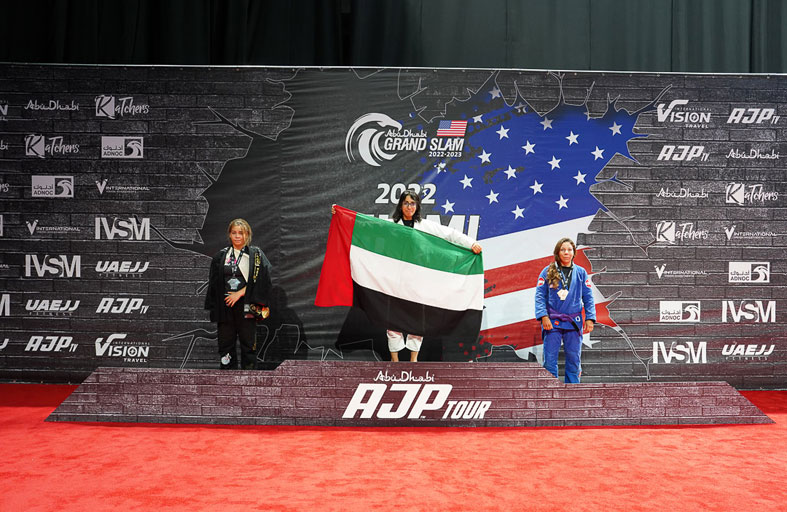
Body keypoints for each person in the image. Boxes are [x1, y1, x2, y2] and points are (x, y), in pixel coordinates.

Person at [332, 190, 482, 362]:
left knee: (417, 321)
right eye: (406, 203)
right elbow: (366, 225)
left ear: (417, 206)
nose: (409, 207)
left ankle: (413, 360)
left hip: (417, 282)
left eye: (412, 203)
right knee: (392, 320)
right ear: (400, 205)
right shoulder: (392, 225)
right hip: (394, 281)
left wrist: (471, 243)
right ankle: (394, 360)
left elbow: (450, 234)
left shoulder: (426, 226)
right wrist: (341, 215)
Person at [205, 219, 272, 370]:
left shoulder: (255, 255)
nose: (237, 236)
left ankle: (249, 379)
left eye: (241, 233)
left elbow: (264, 280)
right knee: (225, 346)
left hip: (247, 305)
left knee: (248, 345)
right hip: (226, 306)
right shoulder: (221, 256)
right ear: (229, 234)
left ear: (247, 234)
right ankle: (227, 378)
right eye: (234, 233)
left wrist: (240, 293)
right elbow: (214, 284)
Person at [534, 237, 596, 383]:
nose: (566, 252)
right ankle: (550, 389)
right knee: (550, 359)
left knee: (574, 358)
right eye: (563, 250)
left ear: (574, 252)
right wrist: (544, 316)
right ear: (558, 252)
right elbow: (540, 296)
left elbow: (588, 297)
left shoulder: (581, 273)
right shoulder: (547, 271)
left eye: (569, 250)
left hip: (573, 321)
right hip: (552, 321)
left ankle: (573, 390)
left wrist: (590, 318)